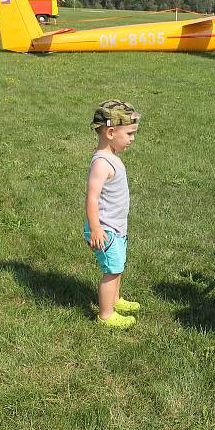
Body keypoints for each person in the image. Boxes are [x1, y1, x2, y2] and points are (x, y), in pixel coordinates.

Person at [85, 100, 142, 329]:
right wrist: (96, 228)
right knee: (112, 270)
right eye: (129, 134)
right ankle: (106, 315)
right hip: (105, 229)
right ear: (111, 132)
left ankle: (115, 300)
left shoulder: (112, 157)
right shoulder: (101, 163)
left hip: (116, 227)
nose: (132, 139)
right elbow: (91, 198)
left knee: (118, 266)